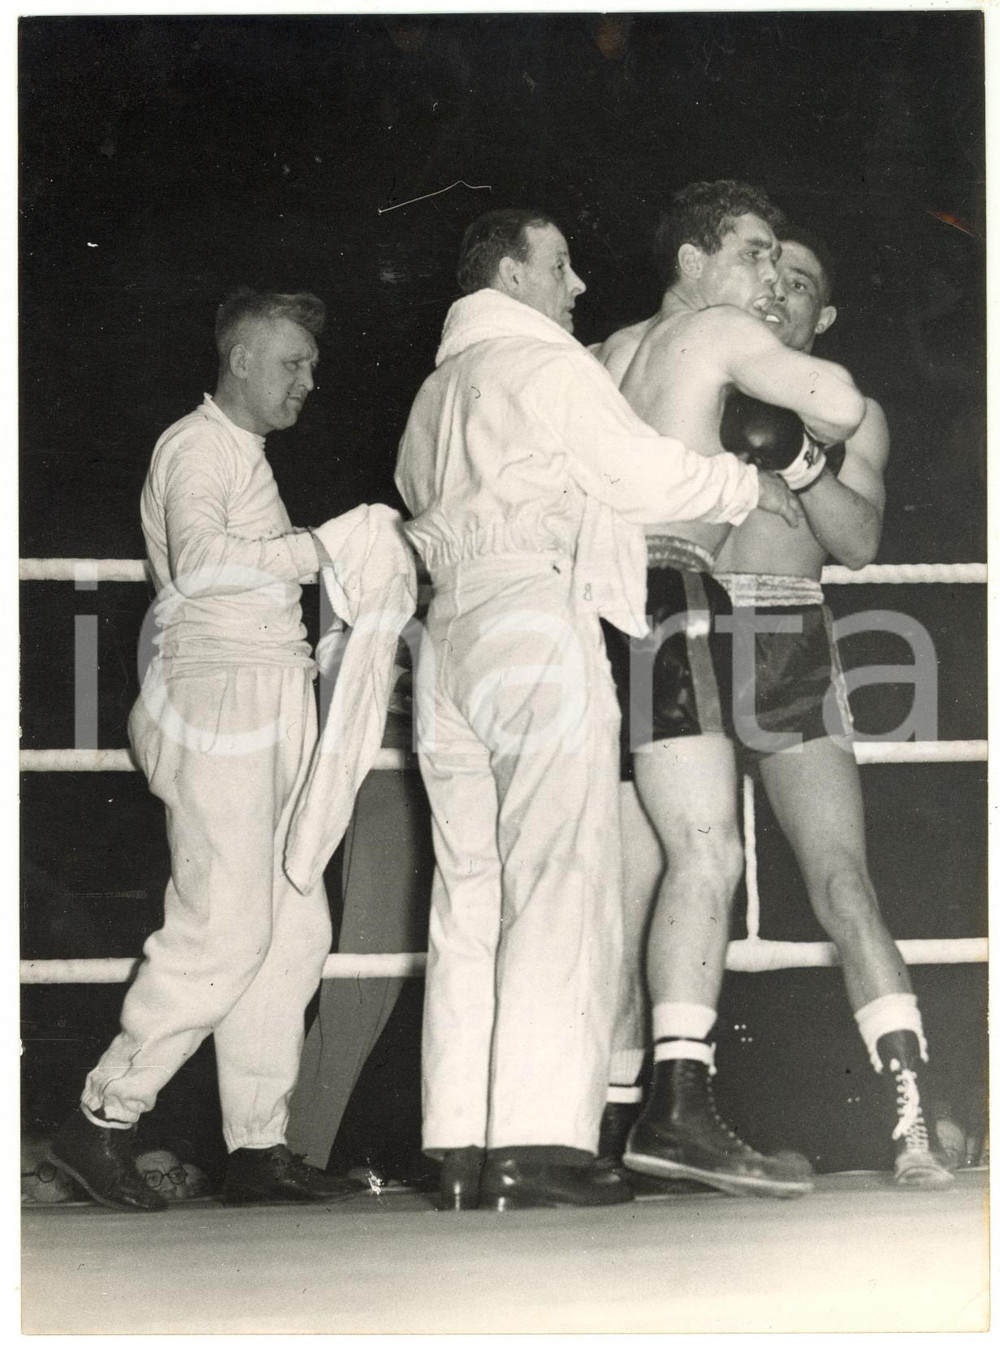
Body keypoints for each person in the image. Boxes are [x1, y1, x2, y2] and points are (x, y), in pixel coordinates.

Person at [394, 207, 798, 1212]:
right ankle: (537, 1140)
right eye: (560, 266)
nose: (575, 287)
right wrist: (747, 478)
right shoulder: (544, 365)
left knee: (468, 892)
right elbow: (639, 472)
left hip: (447, 638)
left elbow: (414, 492)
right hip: (535, 613)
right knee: (558, 877)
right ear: (510, 277)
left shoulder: (434, 393)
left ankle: (459, 1144)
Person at [50, 288, 362, 1212]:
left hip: (265, 695)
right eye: (291, 362)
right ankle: (101, 1118)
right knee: (224, 922)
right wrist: (321, 551)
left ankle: (257, 1150)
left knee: (294, 924)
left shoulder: (243, 456)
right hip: (217, 701)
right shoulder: (194, 447)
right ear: (239, 359)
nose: (308, 380)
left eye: (310, 364)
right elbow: (200, 562)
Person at [595, 182, 867, 1198]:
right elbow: (836, 399)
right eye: (752, 252)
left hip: (601, 603)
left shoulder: (609, 351)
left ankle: (605, 1113)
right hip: (673, 591)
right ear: (695, 263)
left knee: (633, 874)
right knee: (707, 851)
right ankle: (678, 1109)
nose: (766, 275)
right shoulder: (711, 328)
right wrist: (786, 419)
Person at [710, 227, 952, 1186]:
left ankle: (912, 1123)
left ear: (826, 314)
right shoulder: (686, 372)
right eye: (769, 273)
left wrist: (803, 464)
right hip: (671, 628)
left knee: (843, 883)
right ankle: (619, 1130)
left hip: (780, 633)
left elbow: (856, 543)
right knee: (640, 888)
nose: (779, 293)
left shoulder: (855, 414)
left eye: (801, 282)